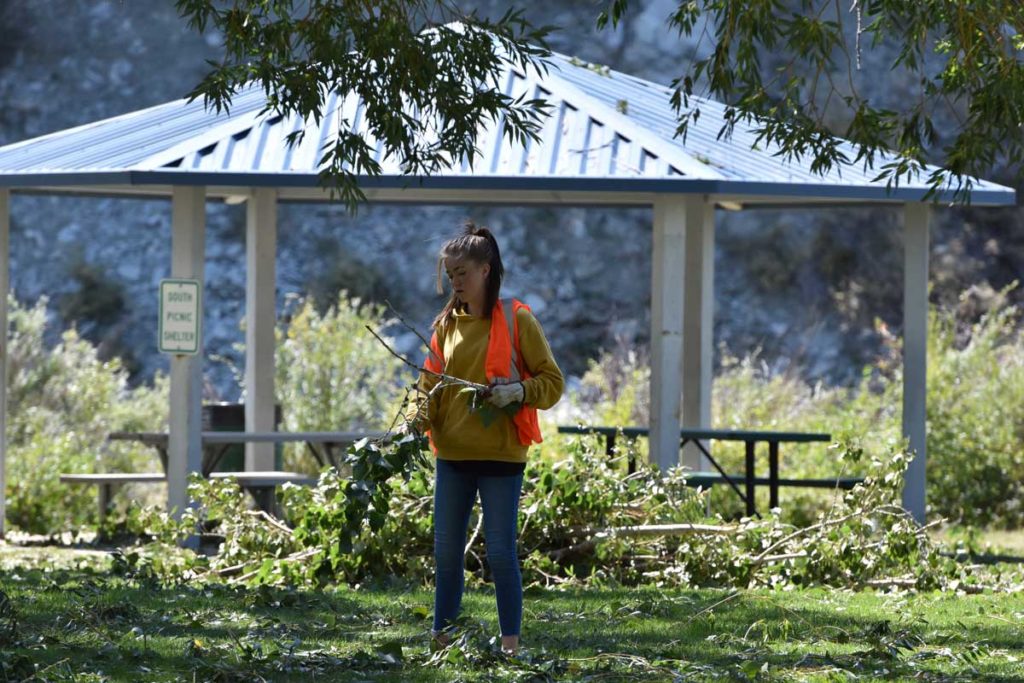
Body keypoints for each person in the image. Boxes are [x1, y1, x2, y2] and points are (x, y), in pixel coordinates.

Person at [404, 221, 564, 656]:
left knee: (500, 553)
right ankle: (442, 639)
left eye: (462, 273)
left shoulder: (517, 319)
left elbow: (552, 383)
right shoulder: (446, 326)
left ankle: (510, 646)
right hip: (452, 455)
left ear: (485, 270)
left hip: (501, 457)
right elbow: (428, 388)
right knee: (446, 553)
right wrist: (412, 424)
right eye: (450, 274)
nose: (455, 282)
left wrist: (518, 391)